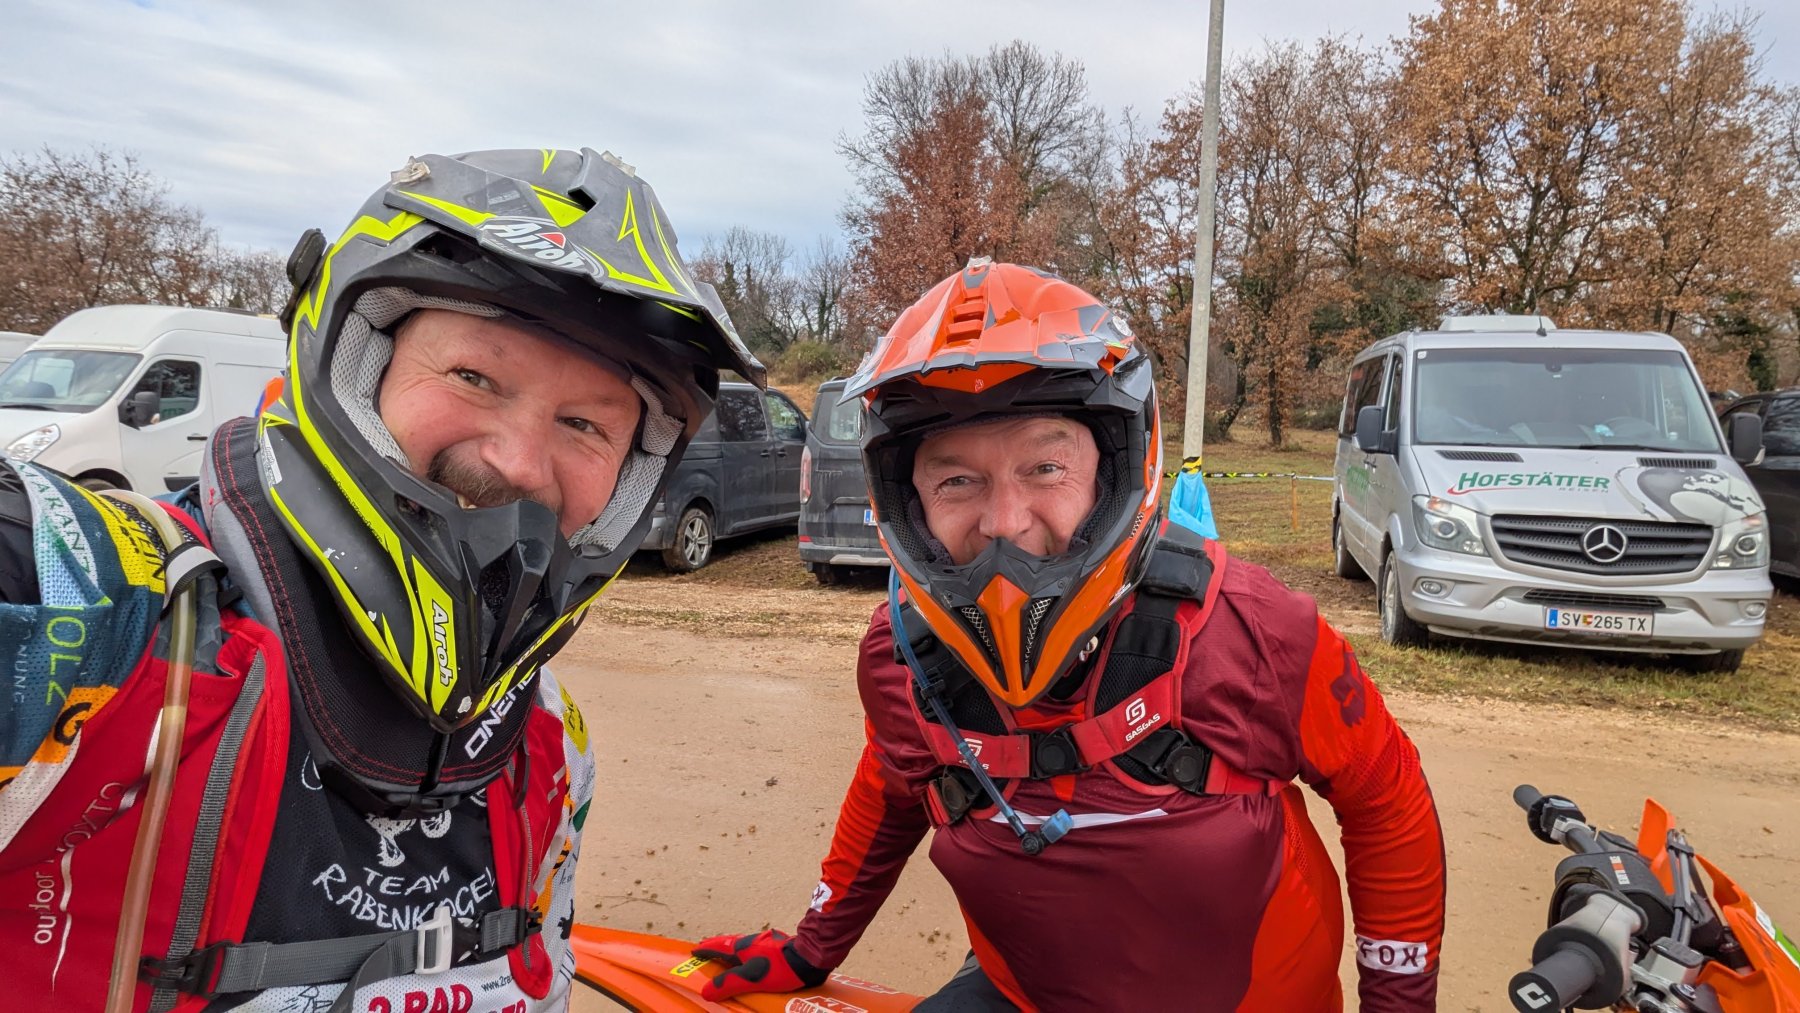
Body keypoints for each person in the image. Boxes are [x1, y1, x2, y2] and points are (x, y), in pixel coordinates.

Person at [0, 147, 761, 1012]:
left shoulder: (551, 740)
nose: (518, 462)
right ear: (356, 362)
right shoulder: (94, 614)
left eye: (586, 423)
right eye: (474, 376)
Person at [691, 261, 1446, 1010]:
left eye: (1046, 466)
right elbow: (892, 785)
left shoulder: (1251, 630)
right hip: (1023, 995)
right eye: (956, 479)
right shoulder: (903, 658)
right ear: (907, 498)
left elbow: (1387, 797)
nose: (1004, 521)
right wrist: (811, 946)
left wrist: (1398, 1003)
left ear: (1114, 470)